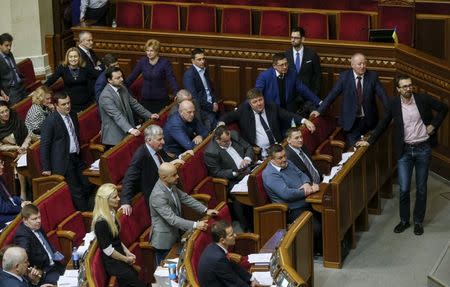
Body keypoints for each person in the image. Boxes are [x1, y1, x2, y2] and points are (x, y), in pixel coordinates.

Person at [357, 75, 448, 236]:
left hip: (423, 149)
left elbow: (444, 108)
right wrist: (369, 142)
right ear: (398, 89)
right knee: (404, 189)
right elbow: (383, 124)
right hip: (404, 151)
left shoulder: (422, 99)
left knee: (421, 188)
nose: (408, 89)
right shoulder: (393, 105)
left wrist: (434, 125)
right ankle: (404, 220)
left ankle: (418, 221)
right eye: (404, 86)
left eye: (410, 85)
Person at [310, 53, 389, 147]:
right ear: (352, 65)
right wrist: (319, 110)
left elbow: (383, 95)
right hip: (351, 122)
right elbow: (332, 95)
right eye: (359, 64)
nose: (363, 66)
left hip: (369, 121)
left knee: (368, 150)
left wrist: (391, 110)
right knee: (353, 150)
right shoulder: (344, 77)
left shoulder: (372, 76)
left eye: (364, 63)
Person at [149, 162, 218, 265]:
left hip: (175, 233)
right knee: (166, 271)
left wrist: (205, 210)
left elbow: (185, 198)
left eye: (176, 173)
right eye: (174, 175)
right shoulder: (158, 195)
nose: (177, 177)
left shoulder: (170, 185)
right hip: (164, 241)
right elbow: (172, 219)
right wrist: (195, 225)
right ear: (164, 177)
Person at [119, 124, 192, 216]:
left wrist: (182, 156)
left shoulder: (158, 148)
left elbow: (168, 160)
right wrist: (125, 202)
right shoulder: (141, 155)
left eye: (163, 138)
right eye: (159, 139)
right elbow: (129, 179)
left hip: (167, 188)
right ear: (149, 140)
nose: (163, 142)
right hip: (155, 195)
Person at [219, 88, 315, 157]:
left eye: (260, 99)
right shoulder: (243, 111)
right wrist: (221, 123)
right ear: (249, 103)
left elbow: (288, 115)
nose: (259, 103)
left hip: (279, 145)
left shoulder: (271, 107)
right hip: (262, 152)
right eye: (255, 102)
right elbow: (227, 116)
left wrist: (305, 120)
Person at [262, 144, 322, 253]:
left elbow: (302, 174)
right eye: (280, 158)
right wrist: (307, 190)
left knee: (328, 215)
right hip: (292, 209)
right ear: (271, 159)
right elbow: (286, 194)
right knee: (316, 228)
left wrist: (306, 184)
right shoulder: (270, 174)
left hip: (307, 200)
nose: (284, 159)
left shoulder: (287, 163)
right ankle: (314, 251)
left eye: (285, 156)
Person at [40, 91, 93, 211]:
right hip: (64, 160)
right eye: (63, 104)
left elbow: (76, 134)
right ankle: (86, 216)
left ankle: (81, 208)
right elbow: (45, 145)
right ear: (56, 106)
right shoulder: (51, 121)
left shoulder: (73, 115)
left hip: (76, 156)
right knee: (76, 190)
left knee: (87, 183)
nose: (67, 106)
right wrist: (46, 167)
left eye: (68, 103)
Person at [92, 183, 145, 287]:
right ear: (105, 201)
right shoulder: (101, 223)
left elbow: (116, 239)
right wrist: (126, 259)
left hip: (119, 256)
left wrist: (127, 252)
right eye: (115, 197)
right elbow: (108, 251)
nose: (119, 198)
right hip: (113, 263)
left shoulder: (111, 212)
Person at [204, 125, 254, 231]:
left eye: (229, 139)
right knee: (238, 197)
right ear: (218, 140)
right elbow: (216, 172)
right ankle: (246, 226)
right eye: (225, 142)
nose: (229, 142)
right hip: (233, 180)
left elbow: (248, 147)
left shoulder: (234, 135)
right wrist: (235, 173)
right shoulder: (211, 152)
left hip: (249, 169)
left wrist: (247, 158)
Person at [98, 67, 158, 148]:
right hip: (114, 137)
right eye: (118, 78)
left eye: (121, 76)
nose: (122, 79)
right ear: (109, 80)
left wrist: (149, 115)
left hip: (127, 130)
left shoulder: (122, 88)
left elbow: (134, 104)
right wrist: (131, 129)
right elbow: (117, 115)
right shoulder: (105, 96)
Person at [13, 204, 65, 285]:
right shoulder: (22, 236)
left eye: (39, 217)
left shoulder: (37, 226)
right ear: (25, 220)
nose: (39, 221)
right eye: (34, 219)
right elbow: (22, 257)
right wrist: (31, 271)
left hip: (54, 265)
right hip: (45, 273)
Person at [255, 52, 320, 115]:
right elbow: (257, 94)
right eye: (282, 65)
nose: (285, 67)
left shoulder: (292, 73)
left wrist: (319, 102)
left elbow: (303, 89)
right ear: (274, 66)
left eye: (286, 64)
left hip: (288, 111)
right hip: (271, 112)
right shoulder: (264, 76)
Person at [197, 221, 259, 287]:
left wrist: (251, 278)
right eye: (231, 235)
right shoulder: (218, 259)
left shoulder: (214, 246)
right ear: (222, 240)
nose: (235, 235)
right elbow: (233, 282)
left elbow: (232, 265)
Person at [125, 39, 179, 113]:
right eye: (147, 50)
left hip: (160, 99)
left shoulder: (164, 63)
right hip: (145, 99)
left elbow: (171, 79)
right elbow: (132, 77)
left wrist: (176, 92)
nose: (148, 53)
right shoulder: (142, 62)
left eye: (151, 51)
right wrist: (123, 86)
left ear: (157, 51)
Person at [44, 47, 96, 113]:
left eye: (75, 56)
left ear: (79, 57)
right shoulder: (63, 68)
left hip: (86, 103)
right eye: (70, 57)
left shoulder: (85, 66)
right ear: (67, 58)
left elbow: (97, 75)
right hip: (69, 104)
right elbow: (51, 80)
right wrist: (39, 89)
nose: (73, 59)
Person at [0, 101, 34, 200]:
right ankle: (24, 192)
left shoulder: (15, 118)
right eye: (2, 112)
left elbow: (28, 135)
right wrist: (15, 148)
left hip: (26, 147)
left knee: (27, 158)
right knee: (20, 161)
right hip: (12, 153)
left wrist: (24, 146)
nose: (5, 114)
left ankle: (33, 187)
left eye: (6, 110)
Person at [183, 48, 218, 130]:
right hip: (202, 110)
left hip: (212, 105)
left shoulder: (205, 70)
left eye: (203, 59)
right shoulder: (189, 75)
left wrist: (215, 101)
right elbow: (195, 98)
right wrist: (210, 107)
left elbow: (210, 89)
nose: (202, 61)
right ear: (192, 61)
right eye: (199, 59)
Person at [286, 27, 322, 96]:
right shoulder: (286, 54)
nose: (293, 40)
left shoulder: (312, 55)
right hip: (291, 96)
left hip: (308, 95)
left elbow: (318, 76)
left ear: (303, 39)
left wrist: (314, 94)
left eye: (296, 38)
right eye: (292, 37)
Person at [0, 160, 30, 230]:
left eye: (2, 163)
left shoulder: (1, 178)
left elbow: (11, 196)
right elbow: (3, 208)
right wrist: (21, 208)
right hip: (3, 217)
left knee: (34, 211)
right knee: (31, 217)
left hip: (12, 210)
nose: (2, 166)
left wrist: (22, 201)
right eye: (0, 164)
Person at [0, 33, 26, 104]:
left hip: (21, 84)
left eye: (10, 45)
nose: (9, 47)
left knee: (27, 105)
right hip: (11, 89)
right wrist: (2, 93)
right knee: (17, 110)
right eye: (6, 45)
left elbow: (14, 69)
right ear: (0, 45)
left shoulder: (10, 54)